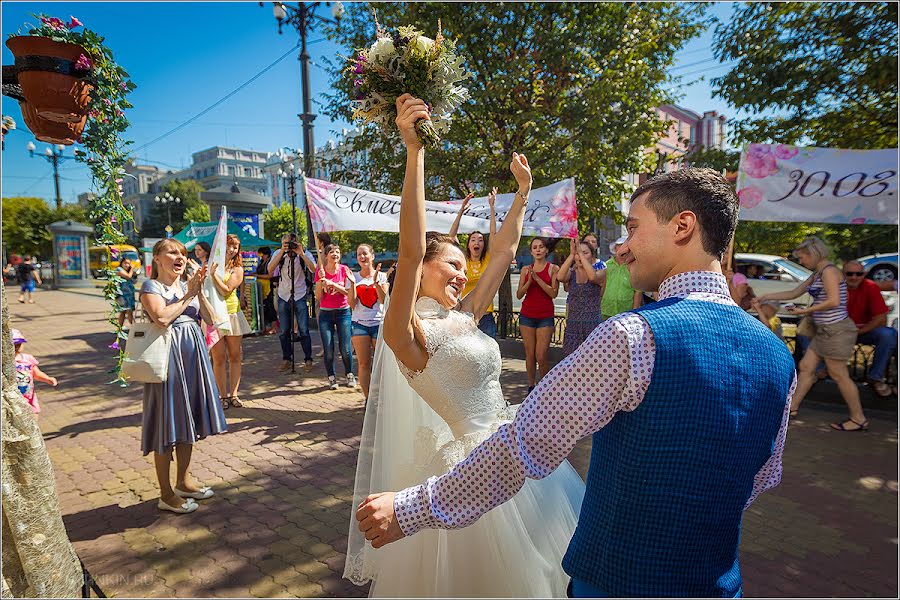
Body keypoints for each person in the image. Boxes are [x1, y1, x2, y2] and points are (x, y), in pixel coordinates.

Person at [356, 167, 797, 599]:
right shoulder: (779, 356)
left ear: (683, 226)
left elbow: (527, 443)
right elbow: (761, 476)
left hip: (616, 579)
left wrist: (410, 509)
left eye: (633, 228)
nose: (622, 249)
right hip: (717, 584)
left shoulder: (630, 337)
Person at [345, 94, 584, 597]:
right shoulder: (406, 334)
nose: (461, 272)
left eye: (461, 264)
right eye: (451, 264)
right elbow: (410, 249)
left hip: (516, 450)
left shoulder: (467, 315)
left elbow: (504, 251)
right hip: (471, 468)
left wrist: (523, 194)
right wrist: (415, 151)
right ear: (424, 269)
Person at [140, 239, 227, 514]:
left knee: (187, 421)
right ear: (157, 258)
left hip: (192, 358)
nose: (179, 257)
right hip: (167, 361)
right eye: (172, 252)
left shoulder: (185, 287)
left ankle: (183, 482)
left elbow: (211, 320)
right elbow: (162, 318)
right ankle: (165, 494)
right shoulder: (150, 287)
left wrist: (198, 291)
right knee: (168, 425)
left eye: (182, 253)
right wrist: (188, 295)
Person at [758, 237, 866, 430]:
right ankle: (792, 409)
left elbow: (833, 301)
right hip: (825, 331)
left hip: (837, 331)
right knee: (806, 367)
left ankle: (858, 418)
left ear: (813, 254)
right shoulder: (819, 273)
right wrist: (766, 296)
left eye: (802, 258)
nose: (801, 262)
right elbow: (794, 293)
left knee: (838, 374)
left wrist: (803, 312)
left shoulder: (830, 272)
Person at [209, 234, 252, 409]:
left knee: (235, 356)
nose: (231, 250)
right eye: (229, 245)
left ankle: (234, 394)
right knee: (218, 358)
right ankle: (221, 395)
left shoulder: (238, 269)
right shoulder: (212, 264)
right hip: (214, 316)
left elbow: (227, 290)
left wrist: (213, 276)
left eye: (235, 247)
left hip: (232, 314)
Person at [448, 189, 499, 338]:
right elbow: (452, 236)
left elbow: (493, 233)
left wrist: (492, 207)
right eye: (473, 240)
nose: (477, 242)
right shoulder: (463, 259)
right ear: (469, 244)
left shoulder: (489, 258)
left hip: (486, 315)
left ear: (484, 245)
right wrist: (461, 211)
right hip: (464, 315)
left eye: (480, 240)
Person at [843, 260, 897, 397]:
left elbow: (881, 318)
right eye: (849, 274)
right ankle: (817, 372)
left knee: (888, 334)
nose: (854, 277)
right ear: (842, 274)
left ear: (864, 274)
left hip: (864, 331)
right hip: (839, 332)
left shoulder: (870, 287)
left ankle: (876, 377)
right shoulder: (835, 287)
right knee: (807, 330)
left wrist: (858, 332)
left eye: (859, 274)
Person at [268, 233, 318, 372]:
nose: (289, 246)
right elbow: (270, 270)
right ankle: (287, 359)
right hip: (284, 295)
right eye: (285, 243)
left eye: (291, 243)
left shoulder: (304, 252)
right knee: (284, 331)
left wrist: (301, 253)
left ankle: (308, 359)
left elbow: (314, 270)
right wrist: (282, 252)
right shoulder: (279, 253)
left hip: (300, 294)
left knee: (304, 330)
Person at [517, 237, 560, 392]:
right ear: (531, 252)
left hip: (545, 316)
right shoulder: (525, 270)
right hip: (527, 315)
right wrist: (529, 281)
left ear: (546, 250)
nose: (538, 250)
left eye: (541, 247)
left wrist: (537, 279)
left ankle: (544, 388)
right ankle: (531, 385)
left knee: (541, 355)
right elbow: (519, 295)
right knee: (530, 354)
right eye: (535, 247)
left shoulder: (553, 268)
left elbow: (553, 293)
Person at [316, 241, 357, 390]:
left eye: (338, 252)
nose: (335, 255)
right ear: (326, 256)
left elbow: (348, 292)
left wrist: (333, 285)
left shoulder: (345, 270)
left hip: (343, 312)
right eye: (332, 252)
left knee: (345, 348)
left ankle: (349, 374)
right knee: (328, 349)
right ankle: (332, 378)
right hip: (326, 313)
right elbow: (318, 297)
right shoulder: (320, 271)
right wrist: (321, 282)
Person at [351, 244, 388, 400]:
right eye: (359, 254)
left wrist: (376, 283)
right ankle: (368, 399)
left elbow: (384, 300)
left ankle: (383, 398)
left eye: (365, 253)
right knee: (364, 364)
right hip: (359, 325)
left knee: (382, 366)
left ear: (372, 256)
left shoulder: (382, 276)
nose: (362, 257)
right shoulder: (354, 277)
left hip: (379, 324)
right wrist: (352, 283)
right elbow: (352, 304)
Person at [557, 237, 604, 358]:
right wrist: (572, 254)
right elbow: (560, 277)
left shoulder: (601, 272)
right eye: (578, 253)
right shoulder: (571, 274)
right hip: (573, 325)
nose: (579, 256)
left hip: (592, 325)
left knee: (592, 361)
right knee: (570, 360)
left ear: (592, 256)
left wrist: (580, 255)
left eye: (585, 253)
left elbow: (593, 277)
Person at [12, 328, 57, 415]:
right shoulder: (5, 362)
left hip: (29, 397)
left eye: (19, 344)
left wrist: (47, 379)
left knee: (33, 416)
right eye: (13, 344)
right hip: (13, 400)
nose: (16, 347)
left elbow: (36, 373)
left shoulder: (28, 358)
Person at [601, 236, 642, 320]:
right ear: (615, 249)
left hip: (626, 310)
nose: (623, 249)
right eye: (619, 246)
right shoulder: (607, 265)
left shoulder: (633, 266)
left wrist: (634, 311)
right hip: (606, 309)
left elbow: (638, 291)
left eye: (626, 246)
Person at [109, 257, 139, 351]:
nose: (127, 265)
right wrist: (131, 270)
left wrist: (134, 273)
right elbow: (127, 277)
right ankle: (133, 328)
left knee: (128, 312)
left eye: (128, 263)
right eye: (125, 263)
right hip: (122, 294)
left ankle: (129, 328)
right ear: (121, 263)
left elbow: (133, 281)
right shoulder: (119, 270)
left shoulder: (129, 271)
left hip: (129, 294)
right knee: (124, 311)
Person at [255, 246, 278, 335]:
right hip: (261, 288)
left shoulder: (270, 262)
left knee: (270, 307)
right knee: (264, 307)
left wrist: (257, 275)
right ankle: (265, 327)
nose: (261, 256)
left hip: (269, 287)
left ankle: (274, 327)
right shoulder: (261, 262)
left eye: (262, 254)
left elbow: (270, 275)